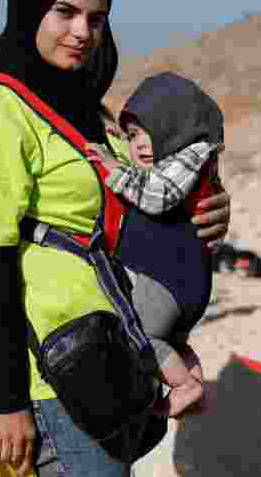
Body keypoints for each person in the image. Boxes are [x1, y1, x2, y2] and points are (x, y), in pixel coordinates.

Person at [0, 0, 230, 477]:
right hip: (54, 376)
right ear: (29, 9)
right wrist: (7, 399)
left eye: (96, 18)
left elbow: (147, 201)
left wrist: (213, 210)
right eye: (65, 12)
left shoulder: (78, 111)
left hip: (109, 360)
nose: (82, 32)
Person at [85, 72, 224, 417]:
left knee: (141, 332)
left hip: (170, 278)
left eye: (151, 131)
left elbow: (158, 196)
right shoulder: (180, 161)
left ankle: (184, 386)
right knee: (173, 342)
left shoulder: (188, 157)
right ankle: (195, 389)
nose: (140, 145)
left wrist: (113, 167)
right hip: (181, 281)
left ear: (176, 126)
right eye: (132, 137)